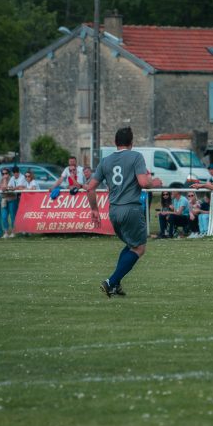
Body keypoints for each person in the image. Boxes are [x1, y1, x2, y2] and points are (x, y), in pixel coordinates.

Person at [87, 126, 161, 298]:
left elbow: (90, 188)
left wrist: (94, 210)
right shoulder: (136, 156)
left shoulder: (105, 161)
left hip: (113, 210)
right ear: (131, 143)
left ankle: (116, 285)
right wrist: (154, 183)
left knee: (131, 245)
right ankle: (110, 282)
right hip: (131, 208)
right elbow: (143, 182)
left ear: (115, 142)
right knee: (139, 248)